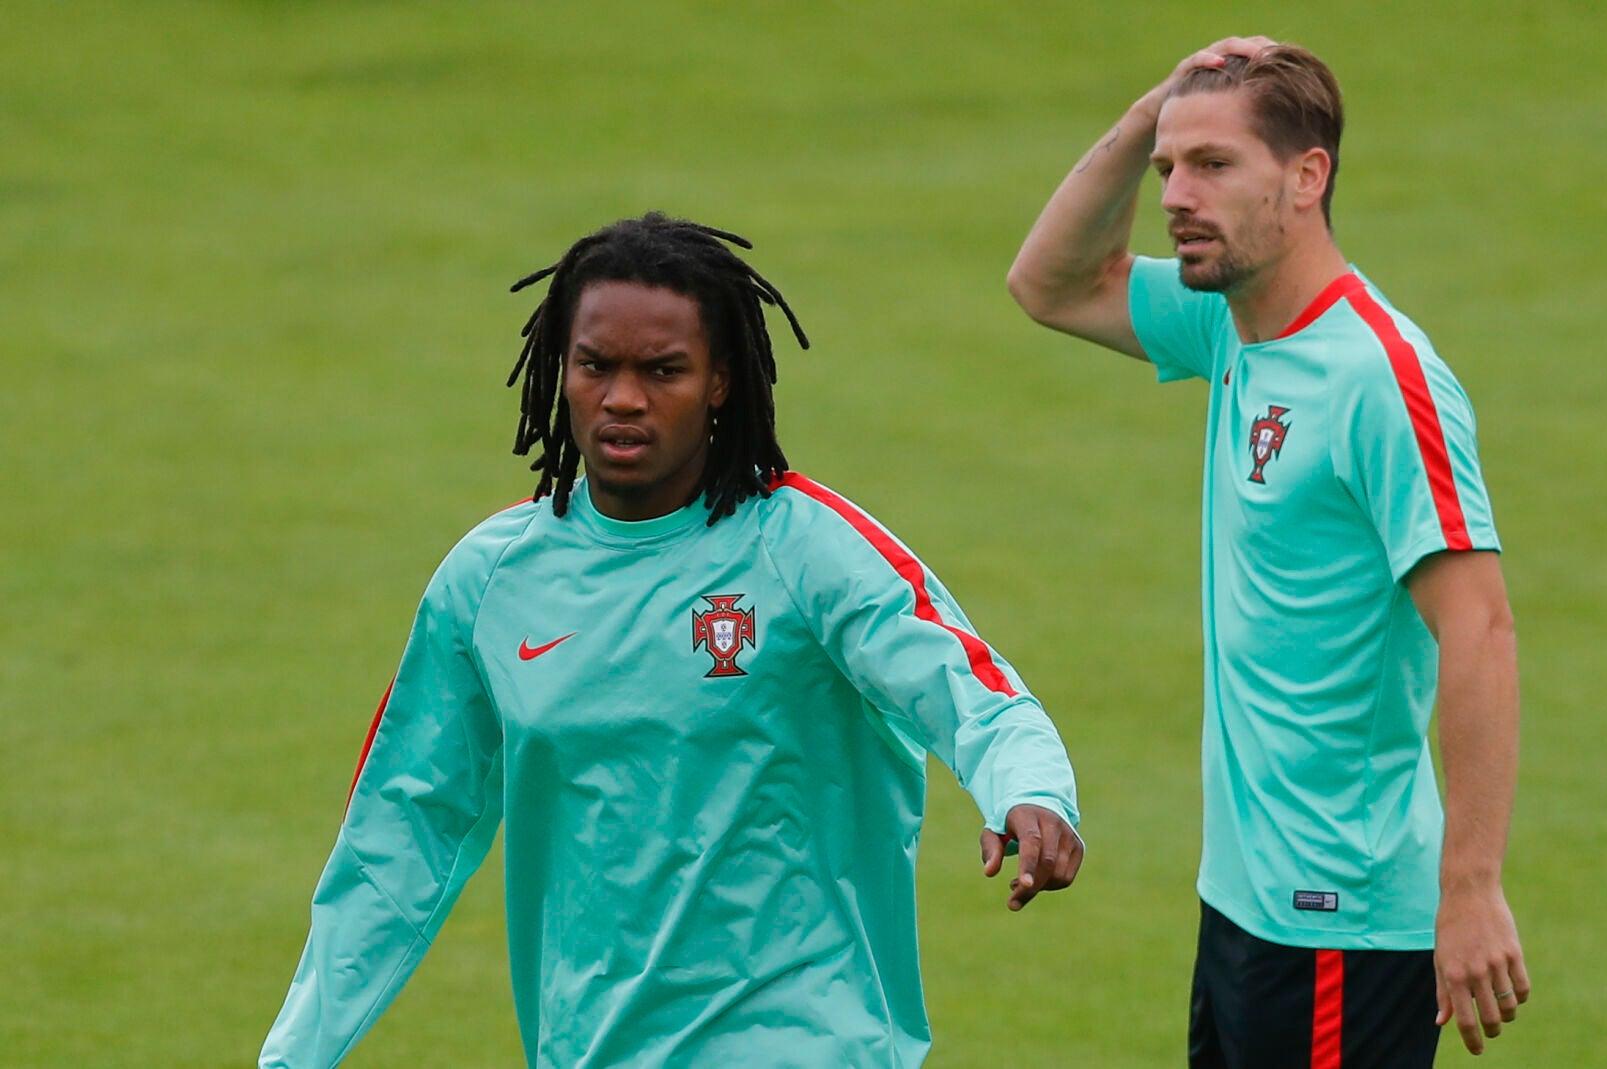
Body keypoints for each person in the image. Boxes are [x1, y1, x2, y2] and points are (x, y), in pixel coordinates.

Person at [259, 212, 1084, 1068]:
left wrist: (1031, 791)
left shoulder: (804, 550)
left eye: (662, 371)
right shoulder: (491, 583)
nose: (623, 397)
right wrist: (293, 1056)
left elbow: (967, 687)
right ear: (561, 368)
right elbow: (401, 831)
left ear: (720, 381)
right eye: (596, 366)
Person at [1007, 39, 1527, 1065]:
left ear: (1306, 176)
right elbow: (1049, 282)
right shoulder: (1229, 325)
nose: (1175, 197)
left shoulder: (1381, 379)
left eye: (1212, 166)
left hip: (1338, 916)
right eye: (1167, 170)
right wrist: (1152, 112)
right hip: (1244, 899)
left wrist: (1469, 890)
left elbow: (1478, 625)